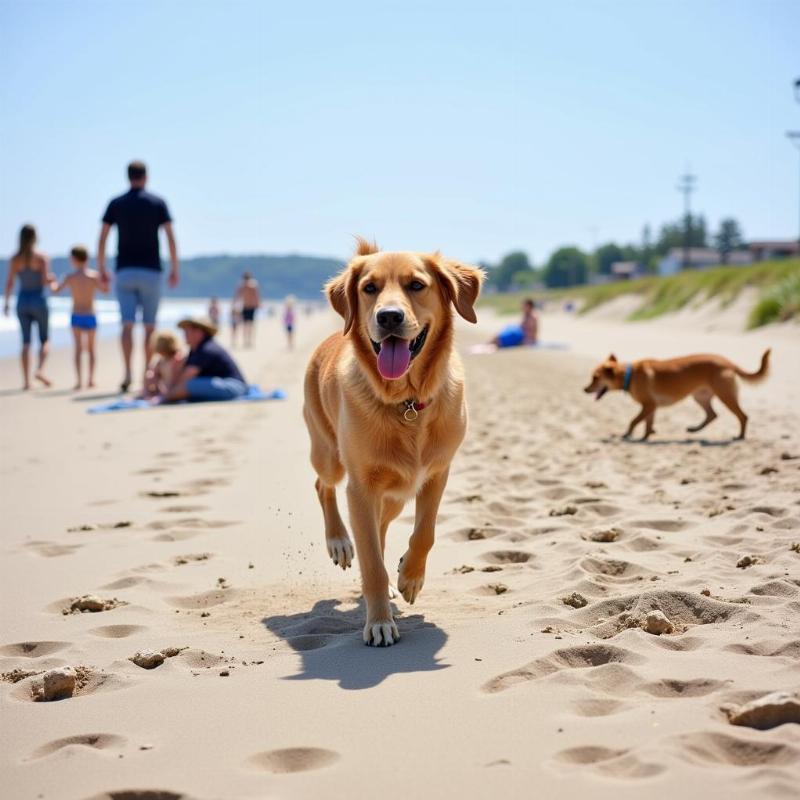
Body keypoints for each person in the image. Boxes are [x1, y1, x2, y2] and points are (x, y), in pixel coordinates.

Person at [97, 160, 179, 393]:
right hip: (151, 270)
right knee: (150, 327)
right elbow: (170, 237)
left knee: (127, 325)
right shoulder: (157, 202)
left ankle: (127, 373)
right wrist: (175, 268)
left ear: (128, 176)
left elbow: (102, 237)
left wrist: (102, 268)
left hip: (124, 270)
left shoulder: (116, 203)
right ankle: (146, 373)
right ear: (146, 177)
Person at [3, 224, 56, 389]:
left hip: (22, 300)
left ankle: (26, 382)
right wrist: (52, 279)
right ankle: (39, 369)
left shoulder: (14, 259)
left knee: (25, 342)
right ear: (35, 237)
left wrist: (6, 303)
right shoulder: (41, 257)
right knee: (44, 339)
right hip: (38, 299)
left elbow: (10, 283)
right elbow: (44, 281)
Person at [163, 317, 247, 402]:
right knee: (190, 388)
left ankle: (165, 398)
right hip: (226, 386)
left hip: (234, 386)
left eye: (188, 330)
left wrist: (169, 393)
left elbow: (187, 377)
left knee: (190, 385)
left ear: (199, 332)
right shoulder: (196, 350)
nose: (185, 334)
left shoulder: (206, 349)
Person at [54, 246, 103, 389]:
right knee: (91, 349)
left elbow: (56, 290)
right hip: (90, 314)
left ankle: (79, 381)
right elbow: (105, 290)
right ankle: (91, 380)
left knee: (78, 349)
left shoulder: (70, 277)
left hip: (76, 315)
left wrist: (50, 280)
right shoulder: (93, 276)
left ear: (74, 259)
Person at [142, 330, 186, 398]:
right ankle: (147, 393)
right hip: (165, 388)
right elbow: (152, 374)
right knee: (150, 374)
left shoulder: (177, 358)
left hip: (174, 388)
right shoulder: (161, 360)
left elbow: (176, 377)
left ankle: (150, 394)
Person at [234, 271, 260, 347]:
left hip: (246, 306)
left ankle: (246, 341)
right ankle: (248, 341)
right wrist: (258, 304)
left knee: (245, 325)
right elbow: (257, 296)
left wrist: (234, 305)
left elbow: (237, 296)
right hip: (251, 306)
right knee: (250, 325)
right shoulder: (253, 285)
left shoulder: (242, 285)